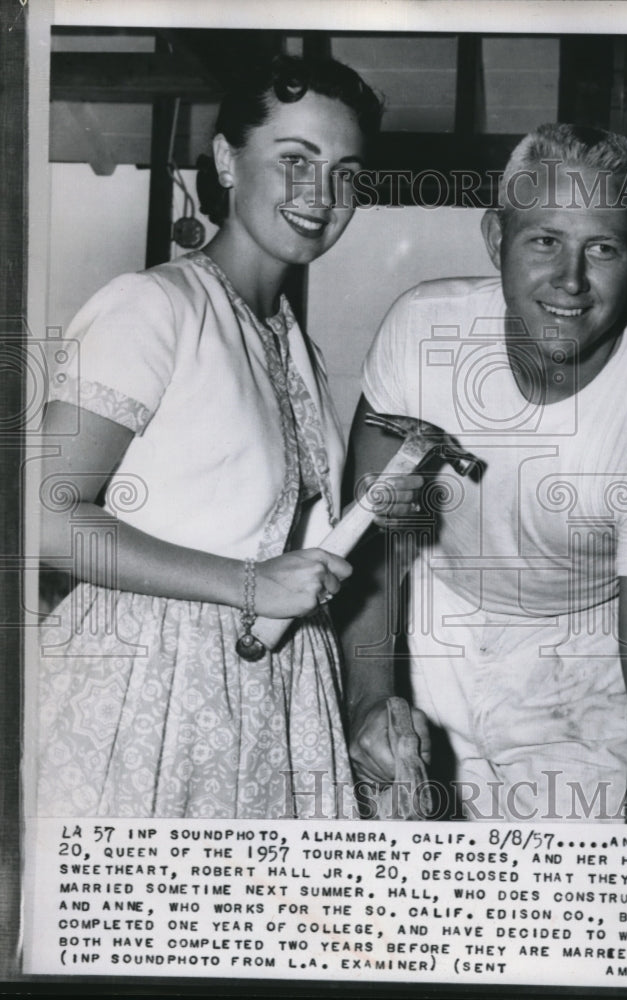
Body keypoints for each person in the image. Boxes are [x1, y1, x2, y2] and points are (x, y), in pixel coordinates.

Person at [36, 54, 416, 819]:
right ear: (223, 161)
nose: (321, 195)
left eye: (345, 172)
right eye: (295, 161)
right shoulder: (153, 307)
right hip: (144, 690)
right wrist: (248, 586)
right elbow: (40, 515)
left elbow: (280, 543)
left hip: (274, 689)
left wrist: (370, 515)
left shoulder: (294, 347)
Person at [341, 123, 627, 824]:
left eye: (600, 248)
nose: (569, 282)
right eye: (543, 240)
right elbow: (370, 554)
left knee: (574, 906)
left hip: (577, 666)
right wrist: (369, 705)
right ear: (495, 239)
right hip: (434, 630)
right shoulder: (421, 329)